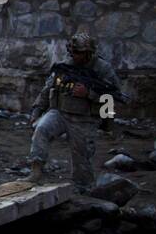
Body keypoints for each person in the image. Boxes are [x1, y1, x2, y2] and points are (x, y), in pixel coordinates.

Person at [27, 32, 121, 191]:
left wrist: (89, 94)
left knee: (81, 157)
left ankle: (83, 188)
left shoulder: (102, 69)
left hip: (85, 119)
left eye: (78, 53)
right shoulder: (65, 65)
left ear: (89, 52)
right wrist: (37, 110)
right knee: (41, 129)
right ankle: (36, 171)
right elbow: (48, 88)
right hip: (60, 112)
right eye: (72, 52)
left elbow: (114, 95)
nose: (74, 55)